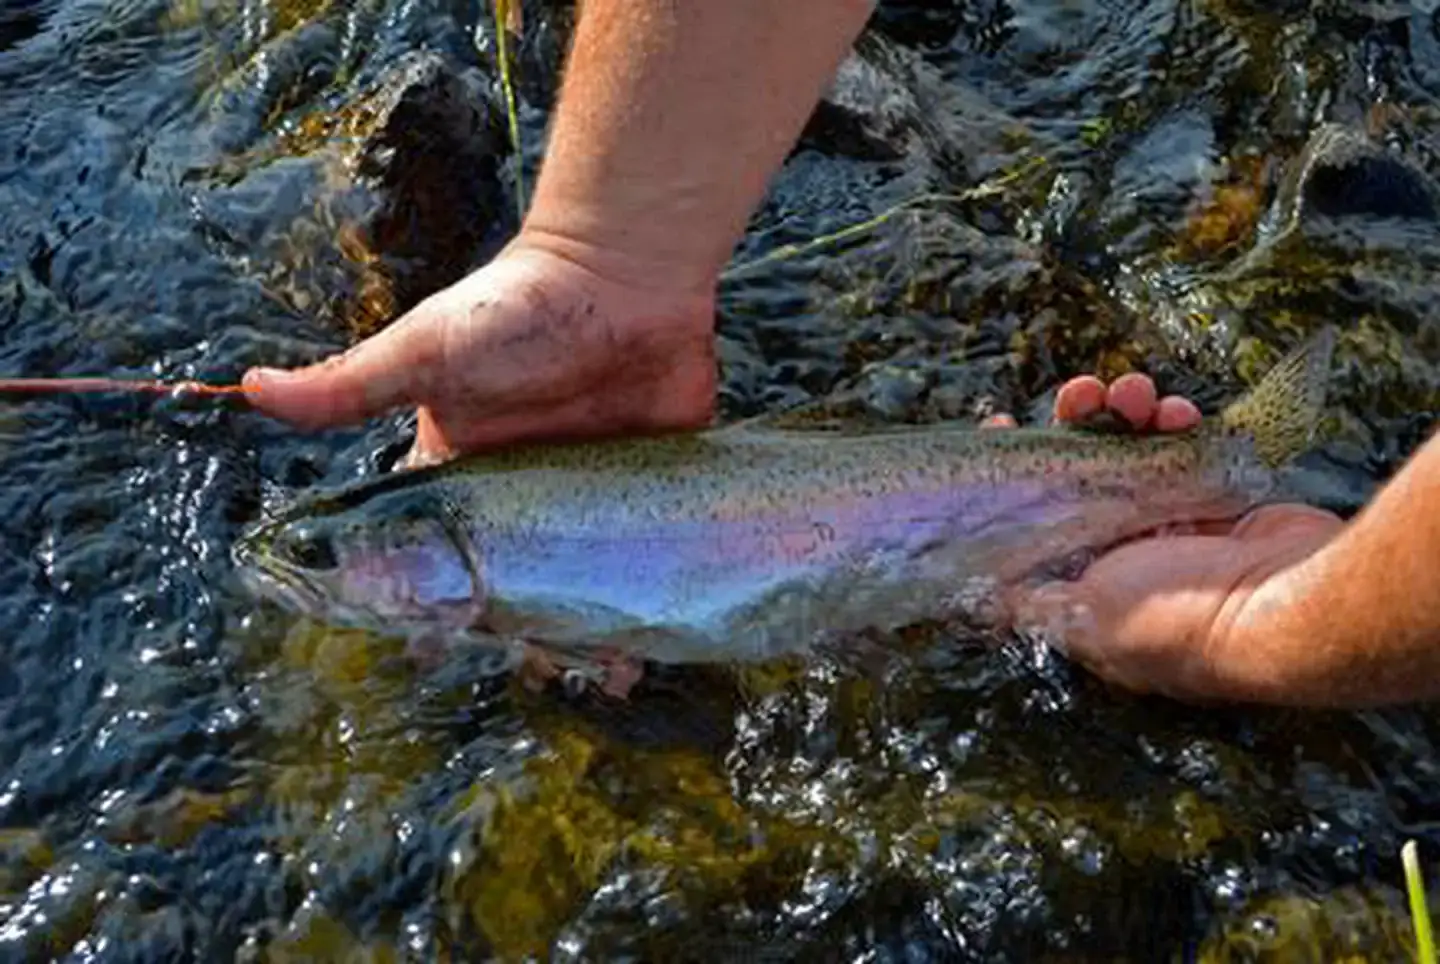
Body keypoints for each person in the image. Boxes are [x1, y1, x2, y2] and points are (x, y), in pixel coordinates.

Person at [240, 0, 1439, 708]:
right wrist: (600, 257)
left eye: (327, 555)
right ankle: (1213, 476)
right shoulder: (486, 541)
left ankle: (1219, 473)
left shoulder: (494, 560)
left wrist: (1278, 626)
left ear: (420, 555)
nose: (303, 566)